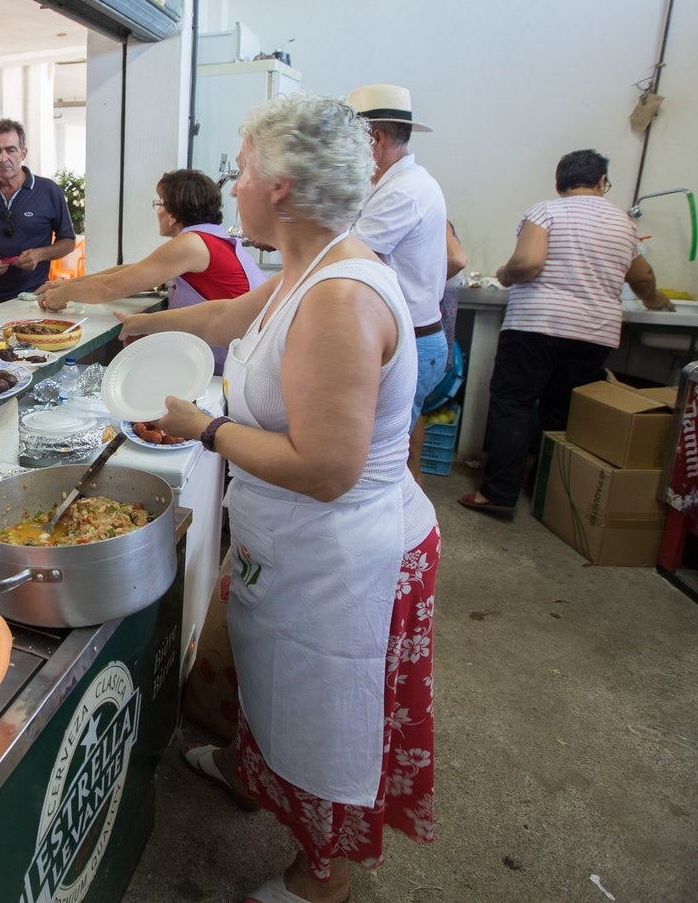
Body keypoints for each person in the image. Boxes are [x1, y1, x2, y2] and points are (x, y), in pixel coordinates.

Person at [121, 94, 438, 903]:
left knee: (327, 716)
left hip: (344, 560)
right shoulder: (306, 263)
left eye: (245, 169)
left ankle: (318, 875)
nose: (235, 182)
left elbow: (328, 466)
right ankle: (250, 769)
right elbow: (231, 312)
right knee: (270, 683)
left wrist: (205, 427)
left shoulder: (340, 297)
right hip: (289, 540)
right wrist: (133, 327)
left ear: (284, 188)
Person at [460, 149, 673, 518]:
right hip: (594, 333)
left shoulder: (547, 211)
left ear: (560, 183)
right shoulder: (624, 223)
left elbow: (528, 262)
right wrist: (656, 301)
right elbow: (642, 278)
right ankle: (545, 489)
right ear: (602, 182)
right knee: (562, 411)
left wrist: (506, 274)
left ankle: (498, 493)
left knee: (514, 404)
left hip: (537, 325)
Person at [37, 168, 264, 372]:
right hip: (235, 352)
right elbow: (134, 270)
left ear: (174, 214)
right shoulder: (211, 238)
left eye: (160, 203)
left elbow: (110, 287)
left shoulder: (192, 244)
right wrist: (66, 284)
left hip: (229, 361)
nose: (157, 210)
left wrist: (62, 295)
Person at [345, 84, 454, 478]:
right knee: (395, 445)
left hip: (413, 337)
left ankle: (401, 534)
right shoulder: (392, 185)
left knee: (378, 459)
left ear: (375, 139)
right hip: (413, 335)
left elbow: (350, 256)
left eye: (349, 141)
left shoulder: (405, 191)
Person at [0, 118, 75, 306]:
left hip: (35, 298)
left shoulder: (48, 190)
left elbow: (68, 242)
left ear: (23, 152)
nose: (3, 158)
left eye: (10, 150)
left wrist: (39, 254)